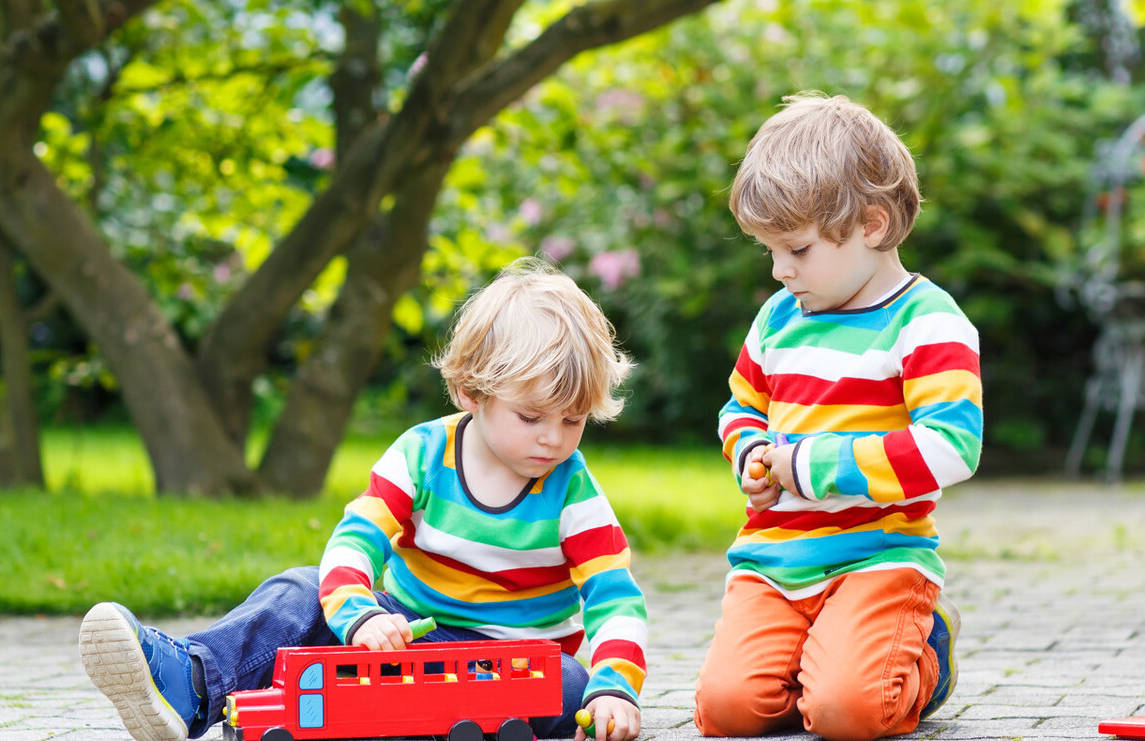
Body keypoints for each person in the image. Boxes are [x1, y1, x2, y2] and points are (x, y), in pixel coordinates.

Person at [80, 257, 648, 741]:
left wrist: (614, 690)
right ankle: (191, 683)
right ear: (471, 392)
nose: (553, 437)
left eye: (573, 419)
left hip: (514, 662)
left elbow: (614, 597)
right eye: (531, 417)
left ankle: (391, 718)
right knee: (302, 590)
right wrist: (362, 614)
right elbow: (357, 537)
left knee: (570, 684)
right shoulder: (424, 454)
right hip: (408, 634)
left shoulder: (573, 489)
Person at [692, 93, 983, 741]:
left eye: (795, 249)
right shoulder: (777, 317)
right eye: (768, 251)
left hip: (877, 556)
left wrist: (807, 463)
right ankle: (832, 654)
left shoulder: (927, 322)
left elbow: (952, 446)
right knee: (727, 711)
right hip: (776, 558)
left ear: (871, 225)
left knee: (847, 715)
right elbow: (740, 406)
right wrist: (749, 457)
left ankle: (924, 650)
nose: (778, 269)